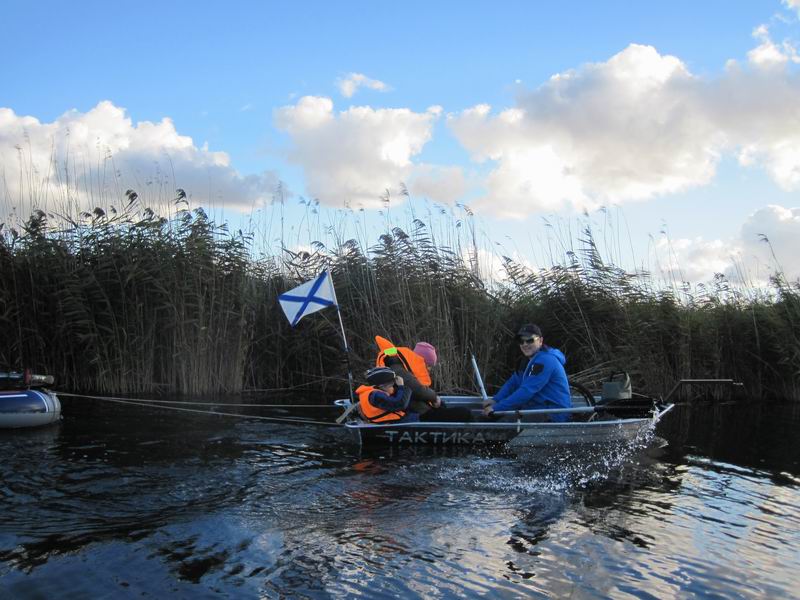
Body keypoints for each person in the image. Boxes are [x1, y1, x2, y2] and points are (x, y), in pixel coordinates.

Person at [483, 324, 572, 422]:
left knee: (502, 424)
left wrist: (496, 408)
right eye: (521, 341)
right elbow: (512, 383)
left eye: (529, 340)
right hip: (535, 409)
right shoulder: (527, 361)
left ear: (540, 341)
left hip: (553, 413)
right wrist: (496, 400)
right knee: (490, 419)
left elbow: (527, 391)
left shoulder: (545, 360)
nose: (525, 344)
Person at [377, 337, 472, 422]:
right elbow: (418, 390)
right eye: (428, 365)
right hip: (419, 414)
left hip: (421, 410)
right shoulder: (397, 370)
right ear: (420, 360)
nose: (429, 369)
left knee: (444, 406)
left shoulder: (402, 367)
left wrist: (435, 400)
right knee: (464, 412)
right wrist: (434, 398)